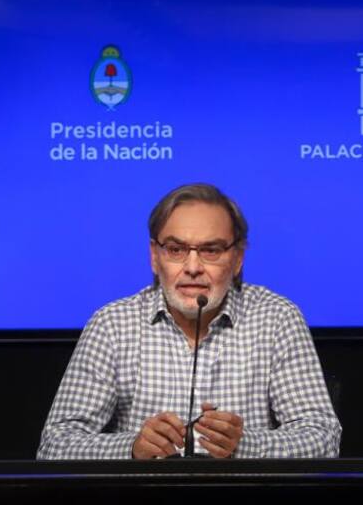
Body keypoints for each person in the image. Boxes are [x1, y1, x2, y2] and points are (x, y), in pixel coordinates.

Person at [38, 183, 341, 459]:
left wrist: (244, 444)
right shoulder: (112, 324)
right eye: (176, 249)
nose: (192, 267)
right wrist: (132, 447)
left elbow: (323, 437)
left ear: (237, 259)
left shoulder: (277, 319)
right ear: (154, 257)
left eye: (211, 250)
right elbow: (55, 445)